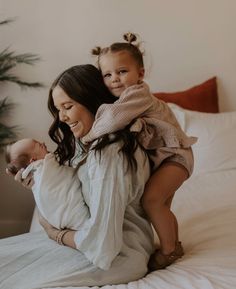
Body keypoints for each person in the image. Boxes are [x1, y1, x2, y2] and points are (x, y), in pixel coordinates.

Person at [1, 64, 154, 289]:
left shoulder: (109, 154)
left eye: (68, 106)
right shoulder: (92, 142)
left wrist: (56, 234)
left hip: (117, 257)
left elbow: (104, 245)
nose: (62, 117)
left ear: (92, 100)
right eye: (58, 109)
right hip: (92, 245)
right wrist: (41, 184)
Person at [83, 32, 197, 269]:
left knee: (151, 201)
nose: (114, 79)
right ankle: (173, 244)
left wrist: (88, 137)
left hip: (175, 156)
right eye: (107, 74)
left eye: (122, 71)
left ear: (140, 74)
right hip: (167, 158)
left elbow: (113, 118)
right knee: (161, 204)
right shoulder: (127, 97)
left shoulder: (137, 94)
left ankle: (169, 252)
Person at [5, 138, 89, 230]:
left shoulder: (34, 172)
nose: (43, 143)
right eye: (39, 145)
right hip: (74, 215)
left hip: (56, 221)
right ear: (33, 160)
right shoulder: (46, 164)